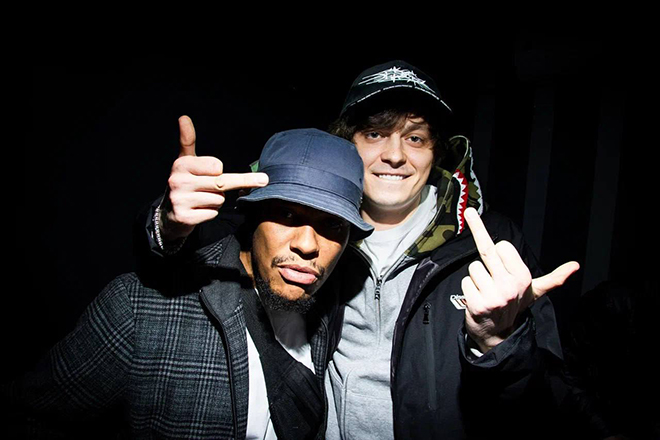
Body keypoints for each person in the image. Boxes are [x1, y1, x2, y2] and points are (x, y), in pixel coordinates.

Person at [138, 60, 581, 439]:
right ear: (345, 144)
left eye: (415, 138)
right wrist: (168, 223)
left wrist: (499, 343)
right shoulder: (310, 229)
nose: (395, 155)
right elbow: (213, 257)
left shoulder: (490, 245)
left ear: (436, 152)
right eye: (374, 134)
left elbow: (549, 401)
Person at [2, 128, 373, 439]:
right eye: (287, 213)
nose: (308, 245)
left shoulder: (334, 303)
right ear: (252, 212)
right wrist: (165, 220)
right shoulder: (139, 309)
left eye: (332, 224)